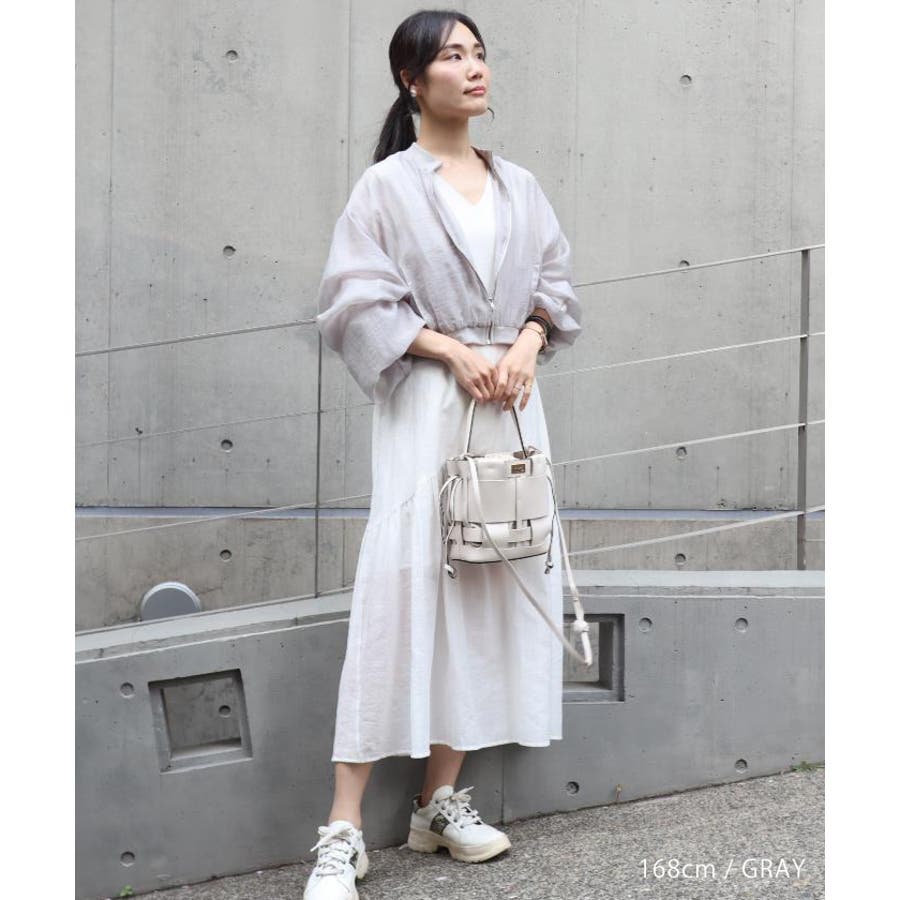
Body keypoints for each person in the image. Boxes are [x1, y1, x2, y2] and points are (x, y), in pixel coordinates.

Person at [304, 9, 583, 899]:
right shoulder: (386, 188)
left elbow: (555, 287)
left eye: (479, 53)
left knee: (490, 579)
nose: (473, 68)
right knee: (402, 589)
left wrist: (528, 342)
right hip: (429, 407)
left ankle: (437, 803)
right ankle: (344, 829)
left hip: (513, 408)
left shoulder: (520, 185)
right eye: (452, 56)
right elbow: (351, 301)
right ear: (411, 79)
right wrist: (451, 349)